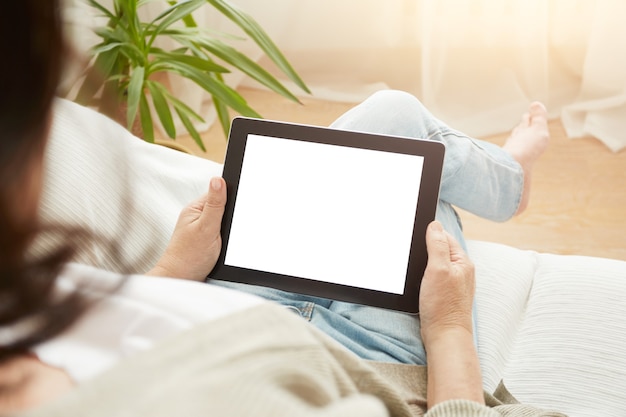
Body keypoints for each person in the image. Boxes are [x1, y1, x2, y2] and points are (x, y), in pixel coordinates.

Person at [0, 1, 565, 416]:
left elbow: (117, 339)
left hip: (232, 300)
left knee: (390, 120)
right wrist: (447, 327)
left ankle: (509, 178)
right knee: (411, 155)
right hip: (374, 358)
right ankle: (510, 179)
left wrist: (175, 268)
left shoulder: (29, 329)